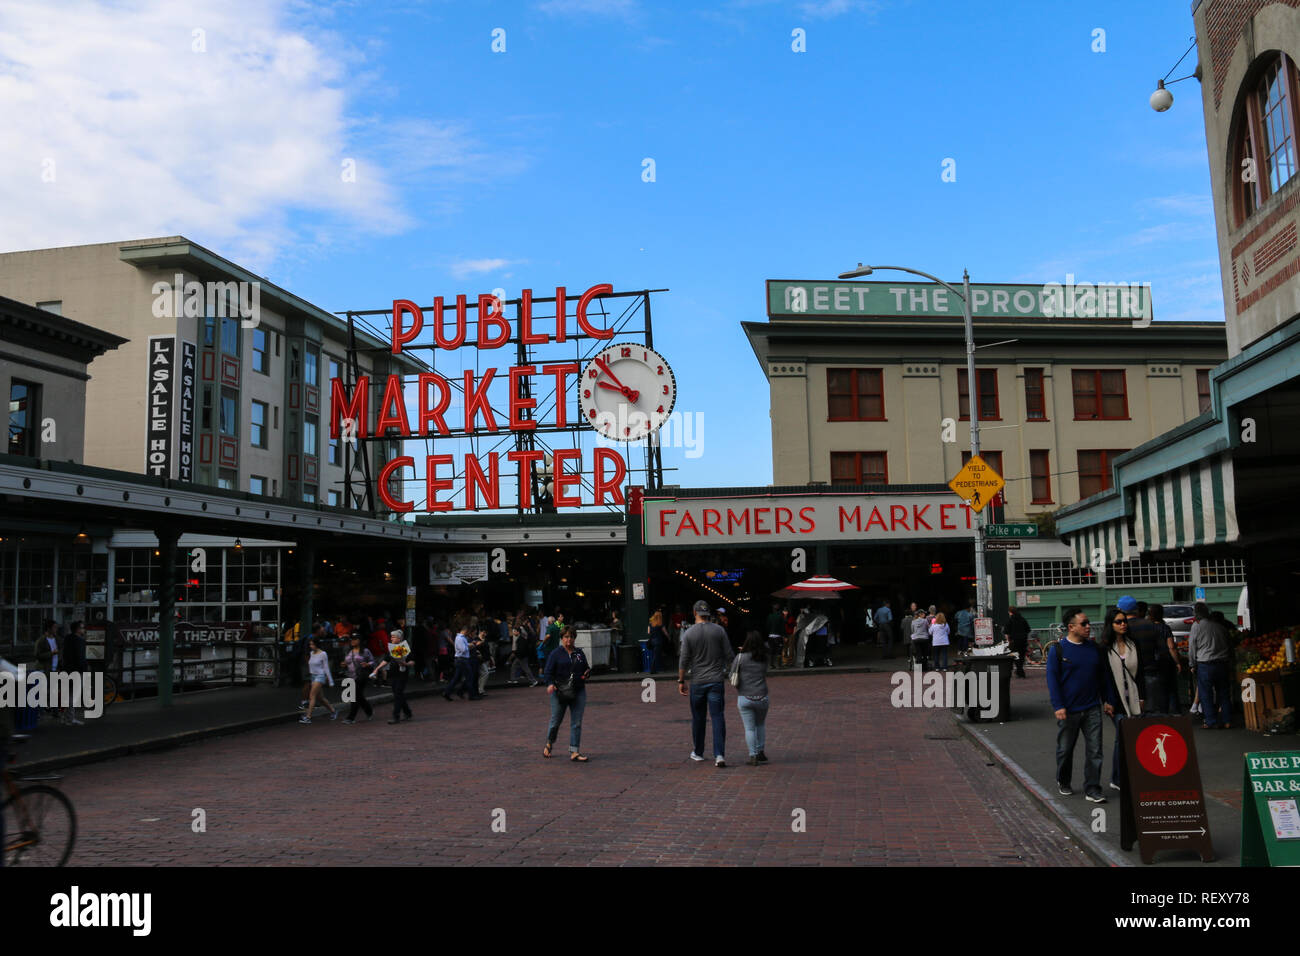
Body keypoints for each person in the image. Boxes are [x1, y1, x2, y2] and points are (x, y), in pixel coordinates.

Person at [1046, 608, 1118, 803]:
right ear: (1071, 627)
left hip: (1092, 708)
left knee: (1095, 750)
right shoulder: (1057, 650)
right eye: (1084, 623)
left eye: (1088, 623)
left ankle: (1093, 788)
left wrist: (1108, 700)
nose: (1088, 627)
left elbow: (1104, 678)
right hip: (1068, 710)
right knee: (1065, 749)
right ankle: (1063, 779)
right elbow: (1053, 681)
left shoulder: (1094, 649)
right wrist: (1058, 706)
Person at [678, 600, 734, 767]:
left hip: (698, 681)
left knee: (698, 718)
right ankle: (719, 755)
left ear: (695, 613)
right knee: (718, 717)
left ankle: (699, 752)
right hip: (716, 680)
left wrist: (681, 681)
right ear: (708, 614)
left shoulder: (689, 633)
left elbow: (684, 660)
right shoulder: (719, 631)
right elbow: (729, 655)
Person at [1099, 607, 1144, 792]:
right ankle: (1117, 778)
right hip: (1116, 701)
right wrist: (1107, 701)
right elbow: (1103, 677)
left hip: (1134, 698)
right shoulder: (1104, 648)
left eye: (1124, 621)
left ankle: (1128, 775)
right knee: (1122, 737)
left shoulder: (1134, 644)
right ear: (1111, 625)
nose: (1123, 624)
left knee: (1132, 738)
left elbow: (1140, 673)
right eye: (1118, 622)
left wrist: (1142, 697)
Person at [543, 626, 591, 761]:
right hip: (560, 692)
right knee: (556, 721)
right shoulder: (555, 654)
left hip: (578, 690)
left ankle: (574, 751)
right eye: (566, 637)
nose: (568, 640)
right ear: (562, 638)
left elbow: (585, 668)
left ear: (574, 638)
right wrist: (550, 684)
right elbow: (548, 672)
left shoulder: (579, 653)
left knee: (576, 722)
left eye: (571, 637)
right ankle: (549, 743)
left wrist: (586, 673)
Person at [1188, 602, 1232, 729]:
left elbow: (1192, 648)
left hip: (1205, 664)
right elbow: (1230, 647)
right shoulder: (1221, 627)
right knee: (1223, 693)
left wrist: (1192, 664)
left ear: (1196, 614)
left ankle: (1210, 721)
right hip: (1222, 664)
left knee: (1205, 694)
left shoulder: (1196, 627)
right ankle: (1227, 720)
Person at [732, 631, 770, 766]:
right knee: (760, 724)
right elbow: (765, 672)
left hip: (744, 696)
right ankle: (761, 751)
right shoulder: (764, 657)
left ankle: (752, 755)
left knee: (749, 728)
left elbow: (732, 674)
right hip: (762, 696)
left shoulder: (740, 657)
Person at [1147, 604, 1182, 714]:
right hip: (1166, 661)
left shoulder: (1148, 627)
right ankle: (1175, 713)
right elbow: (1171, 647)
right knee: (1171, 689)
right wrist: (1178, 662)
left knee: (1157, 689)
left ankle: (1162, 713)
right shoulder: (1165, 628)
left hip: (1152, 661)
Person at [374, 629, 414, 723]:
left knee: (398, 694)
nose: (391, 638)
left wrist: (406, 664)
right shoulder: (392, 648)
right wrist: (376, 669)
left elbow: (412, 661)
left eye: (394, 636)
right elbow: (386, 660)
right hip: (393, 674)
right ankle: (408, 712)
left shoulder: (404, 648)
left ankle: (396, 716)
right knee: (398, 694)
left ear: (399, 638)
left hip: (402, 674)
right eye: (391, 636)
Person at [298, 636, 339, 723]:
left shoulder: (323, 654)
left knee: (312, 696)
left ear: (317, 644)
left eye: (312, 644)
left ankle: (308, 717)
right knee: (320, 698)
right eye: (310, 644)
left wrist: (330, 681)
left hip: (320, 676)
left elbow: (326, 667)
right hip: (313, 676)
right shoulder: (312, 653)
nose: (311, 646)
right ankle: (333, 711)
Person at [341, 633, 375, 723]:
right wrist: (344, 664)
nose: (352, 641)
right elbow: (346, 662)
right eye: (351, 639)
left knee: (354, 696)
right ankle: (369, 711)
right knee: (359, 696)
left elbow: (372, 661)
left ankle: (351, 718)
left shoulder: (365, 651)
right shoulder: (349, 650)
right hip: (351, 676)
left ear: (359, 640)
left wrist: (367, 664)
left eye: (355, 639)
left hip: (361, 676)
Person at [444, 620, 474, 700]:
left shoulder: (460, 638)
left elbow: (464, 647)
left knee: (457, 678)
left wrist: (469, 645)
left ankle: (447, 692)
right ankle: (470, 695)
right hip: (462, 660)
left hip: (460, 659)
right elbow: (463, 649)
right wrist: (469, 646)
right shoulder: (460, 638)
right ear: (466, 631)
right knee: (469, 677)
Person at [1005, 606, 1031, 677]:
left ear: (1010, 612)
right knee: (1022, 656)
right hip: (1023, 641)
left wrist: (1008, 641)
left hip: (1014, 641)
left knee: (1016, 656)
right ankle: (1020, 671)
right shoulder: (1022, 619)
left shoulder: (1010, 621)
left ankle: (1020, 671)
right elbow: (1028, 630)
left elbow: (1006, 632)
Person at [909, 605, 931, 670]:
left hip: (916, 639)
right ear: (921, 614)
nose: (925, 614)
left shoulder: (913, 621)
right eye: (924, 613)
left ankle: (918, 669)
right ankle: (925, 668)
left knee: (918, 653)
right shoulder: (925, 621)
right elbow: (928, 629)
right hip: (924, 638)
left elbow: (912, 630)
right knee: (924, 654)